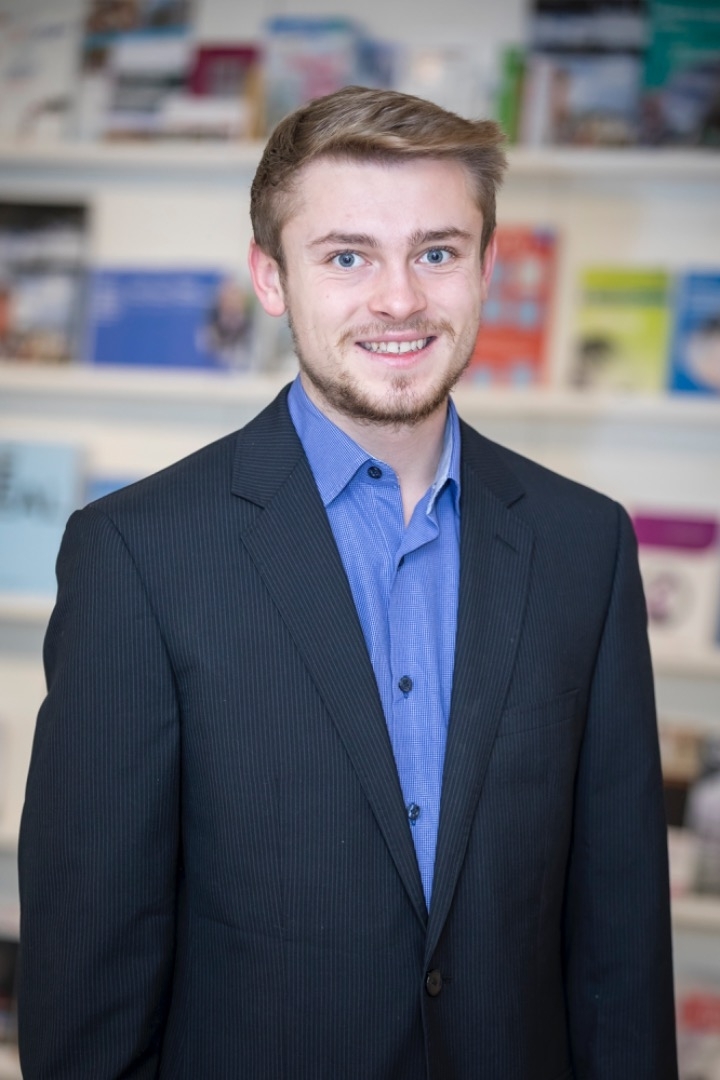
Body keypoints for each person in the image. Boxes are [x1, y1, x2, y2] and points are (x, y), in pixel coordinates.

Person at [18, 86, 677, 1079]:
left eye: (437, 253)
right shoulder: (136, 555)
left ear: (487, 268)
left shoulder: (586, 547)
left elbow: (619, 943)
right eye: (347, 257)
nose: (400, 300)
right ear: (271, 278)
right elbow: (89, 978)